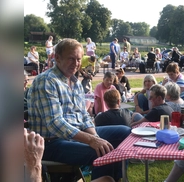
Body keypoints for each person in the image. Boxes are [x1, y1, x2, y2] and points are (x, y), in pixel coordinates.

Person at [27, 38, 131, 181]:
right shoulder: (47, 81)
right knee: (103, 152)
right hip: (51, 143)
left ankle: (114, 178)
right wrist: (91, 141)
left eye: (79, 59)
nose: (76, 64)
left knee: (124, 132)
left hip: (75, 135)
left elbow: (83, 115)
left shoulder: (74, 82)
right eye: (71, 59)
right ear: (57, 57)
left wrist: (95, 137)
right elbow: (54, 123)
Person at [24, 129, 116, 182]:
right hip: (55, 140)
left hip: (69, 135)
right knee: (103, 153)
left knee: (107, 180)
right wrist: (33, 165)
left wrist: (95, 138)